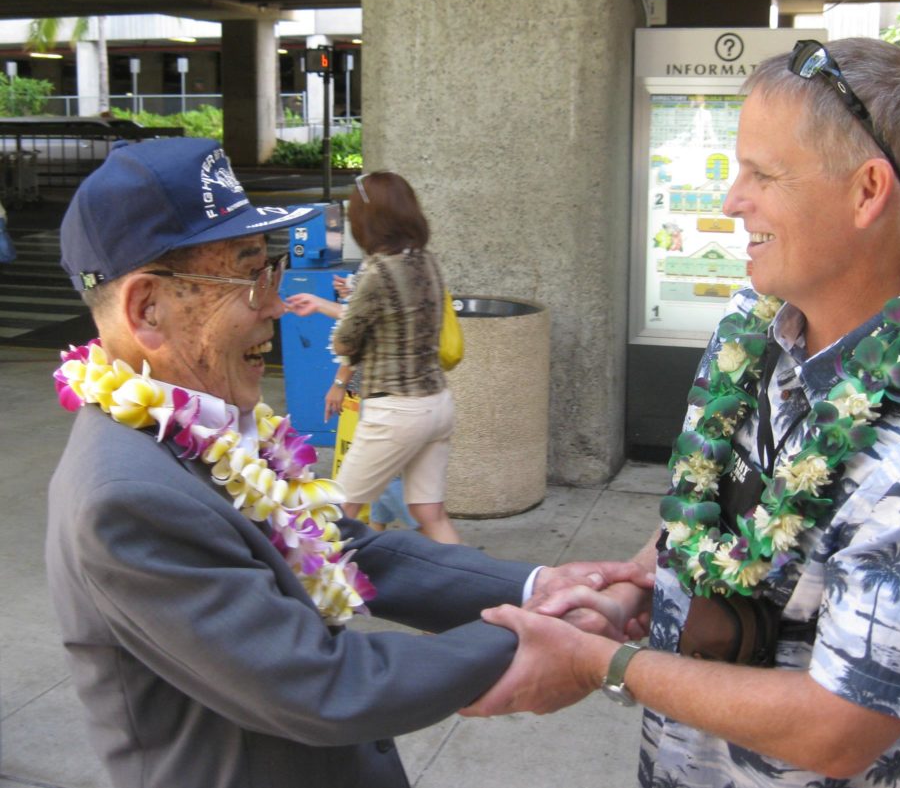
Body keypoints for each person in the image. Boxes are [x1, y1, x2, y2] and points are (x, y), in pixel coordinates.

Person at [463, 38, 900, 787]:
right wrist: (641, 580)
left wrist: (606, 663)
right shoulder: (761, 318)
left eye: (763, 174)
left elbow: (842, 727)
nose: (732, 199)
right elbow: (726, 499)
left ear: (867, 191)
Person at [46, 137, 651, 788]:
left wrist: (539, 587)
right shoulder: (126, 497)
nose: (274, 308)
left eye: (272, 272)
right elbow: (317, 683)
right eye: (251, 278)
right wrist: (543, 637)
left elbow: (347, 546)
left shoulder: (205, 432)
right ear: (147, 309)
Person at [288, 172, 459, 544]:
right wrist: (334, 301)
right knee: (431, 513)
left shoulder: (377, 270)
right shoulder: (426, 261)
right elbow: (398, 316)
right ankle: (477, 595)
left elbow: (349, 340)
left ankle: (312, 592)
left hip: (396, 410)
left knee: (337, 508)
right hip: (437, 404)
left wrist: (342, 314)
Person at [289, 268, 419, 533]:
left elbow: (361, 331)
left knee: (370, 472)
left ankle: (429, 533)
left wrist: (339, 383)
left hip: (385, 392)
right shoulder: (405, 265)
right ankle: (376, 529)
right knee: (382, 469)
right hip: (398, 390)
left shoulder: (386, 264)